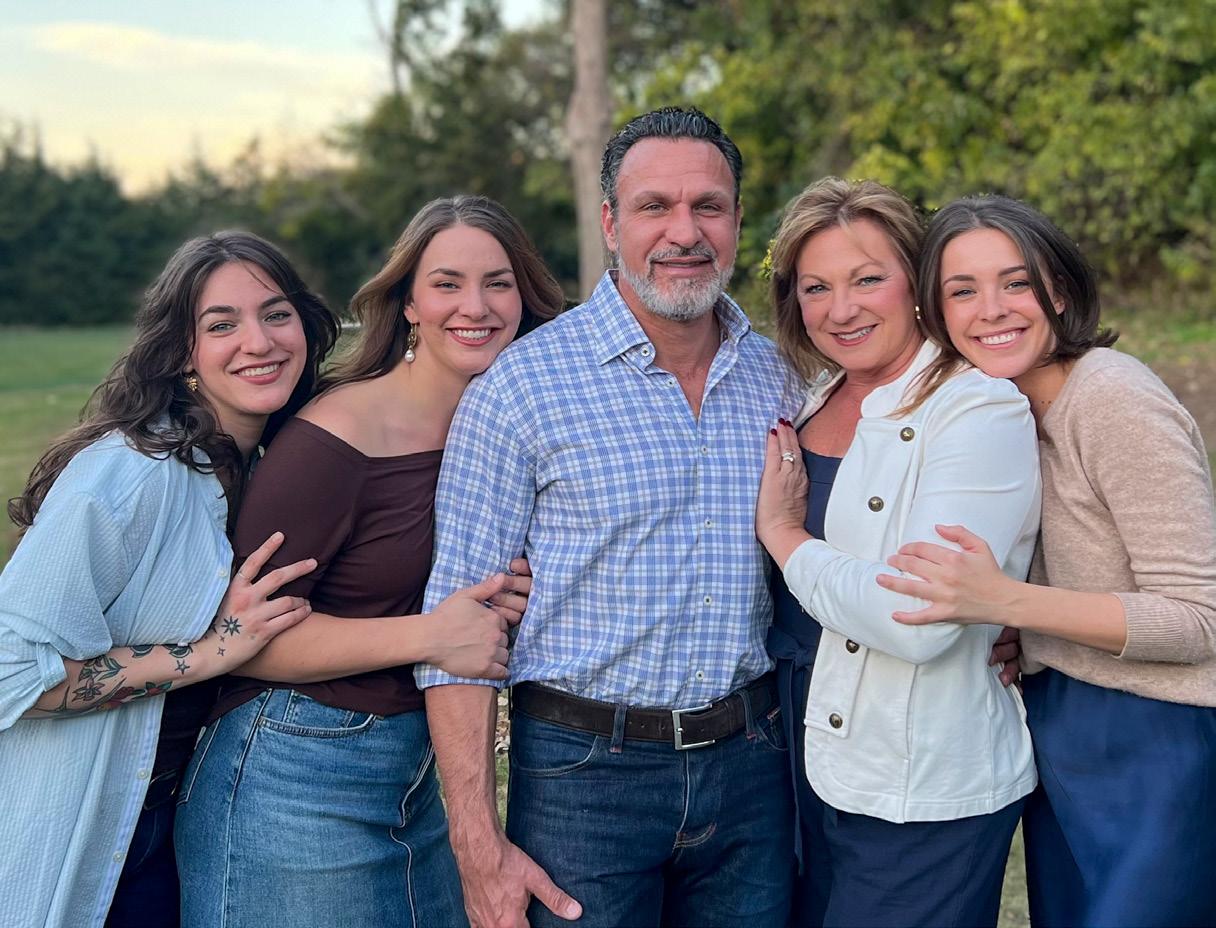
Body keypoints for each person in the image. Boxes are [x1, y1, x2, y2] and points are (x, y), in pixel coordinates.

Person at [414, 107, 804, 928]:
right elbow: (460, 636)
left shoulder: (780, 378)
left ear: (738, 220)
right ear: (610, 223)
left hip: (752, 766)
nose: (684, 232)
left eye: (708, 206)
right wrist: (477, 847)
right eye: (654, 206)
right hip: (584, 776)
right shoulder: (522, 389)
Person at [174, 195, 564, 928]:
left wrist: (514, 594)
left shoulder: (510, 430)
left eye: (498, 283)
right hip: (296, 778)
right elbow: (246, 641)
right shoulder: (335, 439)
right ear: (409, 303)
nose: (475, 306)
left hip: (411, 781)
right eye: (446, 284)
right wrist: (432, 635)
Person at [881, 194, 1216, 927]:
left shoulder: (1113, 398)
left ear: (1058, 291)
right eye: (962, 291)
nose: (992, 310)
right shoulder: (1001, 412)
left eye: (1016, 282)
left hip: (1161, 740)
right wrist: (1025, 629)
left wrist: (1008, 602)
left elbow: (1199, 619)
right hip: (1062, 727)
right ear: (936, 313)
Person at [0, 231, 339, 928]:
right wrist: (210, 652)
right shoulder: (132, 475)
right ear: (184, 352)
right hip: (103, 830)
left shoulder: (267, 463)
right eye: (222, 324)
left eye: (276, 314)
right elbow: (10, 672)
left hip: (195, 816)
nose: (259, 341)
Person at [755, 177, 1041, 927]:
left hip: (917, 776)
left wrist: (786, 537)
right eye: (816, 288)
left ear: (916, 283)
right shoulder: (814, 395)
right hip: (800, 750)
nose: (841, 309)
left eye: (867, 279)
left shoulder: (975, 406)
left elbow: (918, 615)